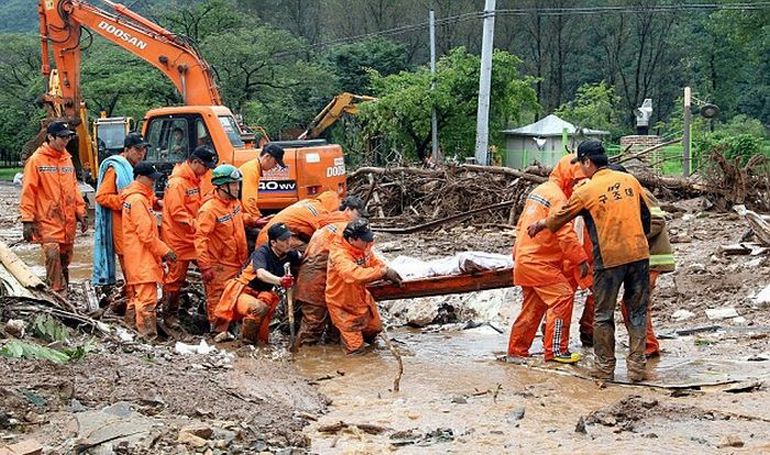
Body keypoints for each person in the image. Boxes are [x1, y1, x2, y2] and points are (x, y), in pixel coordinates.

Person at [527, 140, 652, 382]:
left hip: (609, 258)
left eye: (580, 164)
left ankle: (605, 369)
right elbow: (646, 216)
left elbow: (560, 218)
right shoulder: (630, 181)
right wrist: (639, 243)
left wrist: (541, 223)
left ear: (587, 161)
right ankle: (637, 368)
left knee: (604, 315)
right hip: (639, 255)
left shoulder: (586, 190)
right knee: (637, 312)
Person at [579, 164, 674, 359]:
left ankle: (648, 348)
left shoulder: (638, 192)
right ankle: (591, 337)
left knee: (633, 305)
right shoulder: (626, 193)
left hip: (649, 258)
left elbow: (657, 221)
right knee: (617, 301)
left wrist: (629, 238)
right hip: (636, 257)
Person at [507, 178, 589, 364]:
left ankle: (516, 351)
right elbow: (565, 234)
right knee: (563, 297)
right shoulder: (558, 197)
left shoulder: (541, 190)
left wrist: (516, 252)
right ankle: (556, 350)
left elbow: (521, 225)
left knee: (532, 309)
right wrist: (581, 259)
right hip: (540, 262)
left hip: (526, 259)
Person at [20, 120, 87, 295]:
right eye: (62, 138)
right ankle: (58, 291)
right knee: (52, 253)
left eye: (68, 138)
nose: (66, 141)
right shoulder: (36, 161)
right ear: (50, 137)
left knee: (65, 258)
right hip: (47, 219)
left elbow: (74, 188)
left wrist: (81, 212)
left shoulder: (67, 160)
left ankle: (64, 288)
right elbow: (28, 191)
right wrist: (27, 220)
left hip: (67, 220)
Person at [295, 196, 369, 346]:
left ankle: (322, 359)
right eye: (359, 215)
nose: (360, 220)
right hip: (316, 278)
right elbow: (356, 258)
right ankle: (302, 358)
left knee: (330, 321)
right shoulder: (344, 229)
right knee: (313, 323)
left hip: (315, 276)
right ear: (348, 210)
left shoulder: (328, 223)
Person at [212, 222, 300, 344]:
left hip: (262, 295)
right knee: (258, 308)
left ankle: (243, 335)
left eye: (289, 238)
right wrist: (280, 281)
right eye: (284, 240)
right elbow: (261, 273)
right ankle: (246, 344)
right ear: (273, 243)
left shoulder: (290, 254)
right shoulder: (262, 252)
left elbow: (304, 259)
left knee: (262, 339)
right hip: (243, 292)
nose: (288, 242)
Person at [326, 219, 402, 355]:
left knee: (375, 330)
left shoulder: (364, 246)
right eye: (365, 240)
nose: (369, 243)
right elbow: (353, 275)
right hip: (342, 304)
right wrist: (382, 273)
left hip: (361, 298)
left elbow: (373, 262)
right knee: (356, 350)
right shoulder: (339, 255)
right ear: (352, 239)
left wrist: (386, 270)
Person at [160, 146, 217, 327]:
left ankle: (211, 310)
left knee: (208, 270)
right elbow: (177, 212)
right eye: (205, 167)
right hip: (178, 240)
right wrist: (197, 224)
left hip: (192, 238)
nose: (207, 171)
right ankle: (169, 315)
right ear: (194, 162)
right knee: (175, 278)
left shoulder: (194, 180)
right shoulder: (177, 183)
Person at [121, 162, 177, 338]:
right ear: (139, 178)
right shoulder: (138, 200)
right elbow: (146, 235)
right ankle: (148, 336)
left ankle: (129, 331)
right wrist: (165, 251)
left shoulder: (136, 198)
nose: (153, 183)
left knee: (136, 297)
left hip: (136, 256)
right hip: (142, 258)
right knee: (146, 299)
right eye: (150, 179)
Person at [194, 164, 249, 326]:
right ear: (222, 186)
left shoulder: (234, 203)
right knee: (218, 300)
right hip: (220, 266)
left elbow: (238, 219)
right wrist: (205, 266)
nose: (237, 188)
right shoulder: (209, 210)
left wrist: (253, 220)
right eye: (234, 184)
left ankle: (232, 327)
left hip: (237, 261)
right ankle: (218, 332)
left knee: (235, 296)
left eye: (238, 184)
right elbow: (200, 239)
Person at [93, 133, 147, 290]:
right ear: (127, 149)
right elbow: (102, 197)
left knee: (138, 274)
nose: (141, 153)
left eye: (143, 149)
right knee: (132, 276)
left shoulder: (133, 169)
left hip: (134, 228)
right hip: (122, 230)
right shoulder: (116, 168)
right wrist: (126, 202)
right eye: (138, 149)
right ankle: (132, 306)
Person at [255, 190, 345, 248]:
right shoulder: (320, 213)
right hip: (272, 241)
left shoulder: (308, 202)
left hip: (267, 237)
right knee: (311, 253)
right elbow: (325, 235)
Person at [239, 143, 285, 220]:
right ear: (267, 157)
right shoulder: (252, 170)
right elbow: (248, 200)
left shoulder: (253, 167)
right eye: (275, 163)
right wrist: (257, 218)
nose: (274, 166)